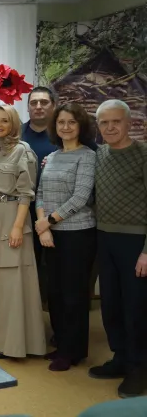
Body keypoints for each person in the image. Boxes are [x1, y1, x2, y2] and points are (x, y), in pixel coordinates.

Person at [89, 99, 147, 399]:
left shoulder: (143, 154)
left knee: (136, 307)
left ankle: (139, 368)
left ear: (129, 123)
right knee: (111, 304)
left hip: (136, 243)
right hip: (105, 238)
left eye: (116, 121)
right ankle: (121, 358)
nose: (110, 127)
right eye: (104, 122)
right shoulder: (99, 155)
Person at [0, 105, 45, 359]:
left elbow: (26, 194)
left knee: (12, 282)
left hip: (12, 218)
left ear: (14, 124)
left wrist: (17, 227)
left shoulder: (22, 151)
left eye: (4, 120)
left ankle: (15, 346)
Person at [34, 103, 96, 372]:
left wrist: (48, 221)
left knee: (74, 294)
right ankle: (61, 344)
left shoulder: (88, 156)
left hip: (78, 234)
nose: (66, 127)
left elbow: (81, 197)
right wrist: (44, 226)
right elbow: (40, 193)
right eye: (61, 122)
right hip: (50, 234)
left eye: (72, 122)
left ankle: (73, 351)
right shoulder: (52, 156)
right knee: (55, 293)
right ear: (55, 126)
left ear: (81, 126)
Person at [22, 87, 58, 306]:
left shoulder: (63, 133)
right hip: (22, 211)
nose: (38, 106)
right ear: (27, 107)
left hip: (57, 214)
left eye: (44, 102)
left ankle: (55, 317)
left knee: (55, 271)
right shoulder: (16, 133)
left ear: (53, 105)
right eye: (33, 102)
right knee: (28, 267)